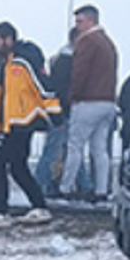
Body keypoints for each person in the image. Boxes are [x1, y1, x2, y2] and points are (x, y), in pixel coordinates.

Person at [0, 21, 56, 226]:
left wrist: (55, 114)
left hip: (21, 121)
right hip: (14, 121)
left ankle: (1, 210)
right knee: (17, 167)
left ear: (8, 39)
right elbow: (9, 95)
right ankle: (39, 206)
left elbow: (43, 87)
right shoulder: (9, 63)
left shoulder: (23, 62)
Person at [63, 5, 120, 202]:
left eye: (79, 21)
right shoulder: (108, 43)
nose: (77, 26)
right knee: (100, 149)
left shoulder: (87, 41)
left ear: (90, 21)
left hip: (87, 101)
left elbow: (80, 72)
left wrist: (73, 96)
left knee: (75, 146)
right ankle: (101, 190)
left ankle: (66, 188)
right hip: (108, 101)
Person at [35, 28, 75, 197]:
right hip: (63, 110)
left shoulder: (58, 59)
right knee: (57, 149)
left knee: (68, 149)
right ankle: (39, 184)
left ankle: (43, 184)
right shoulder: (69, 62)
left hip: (59, 109)